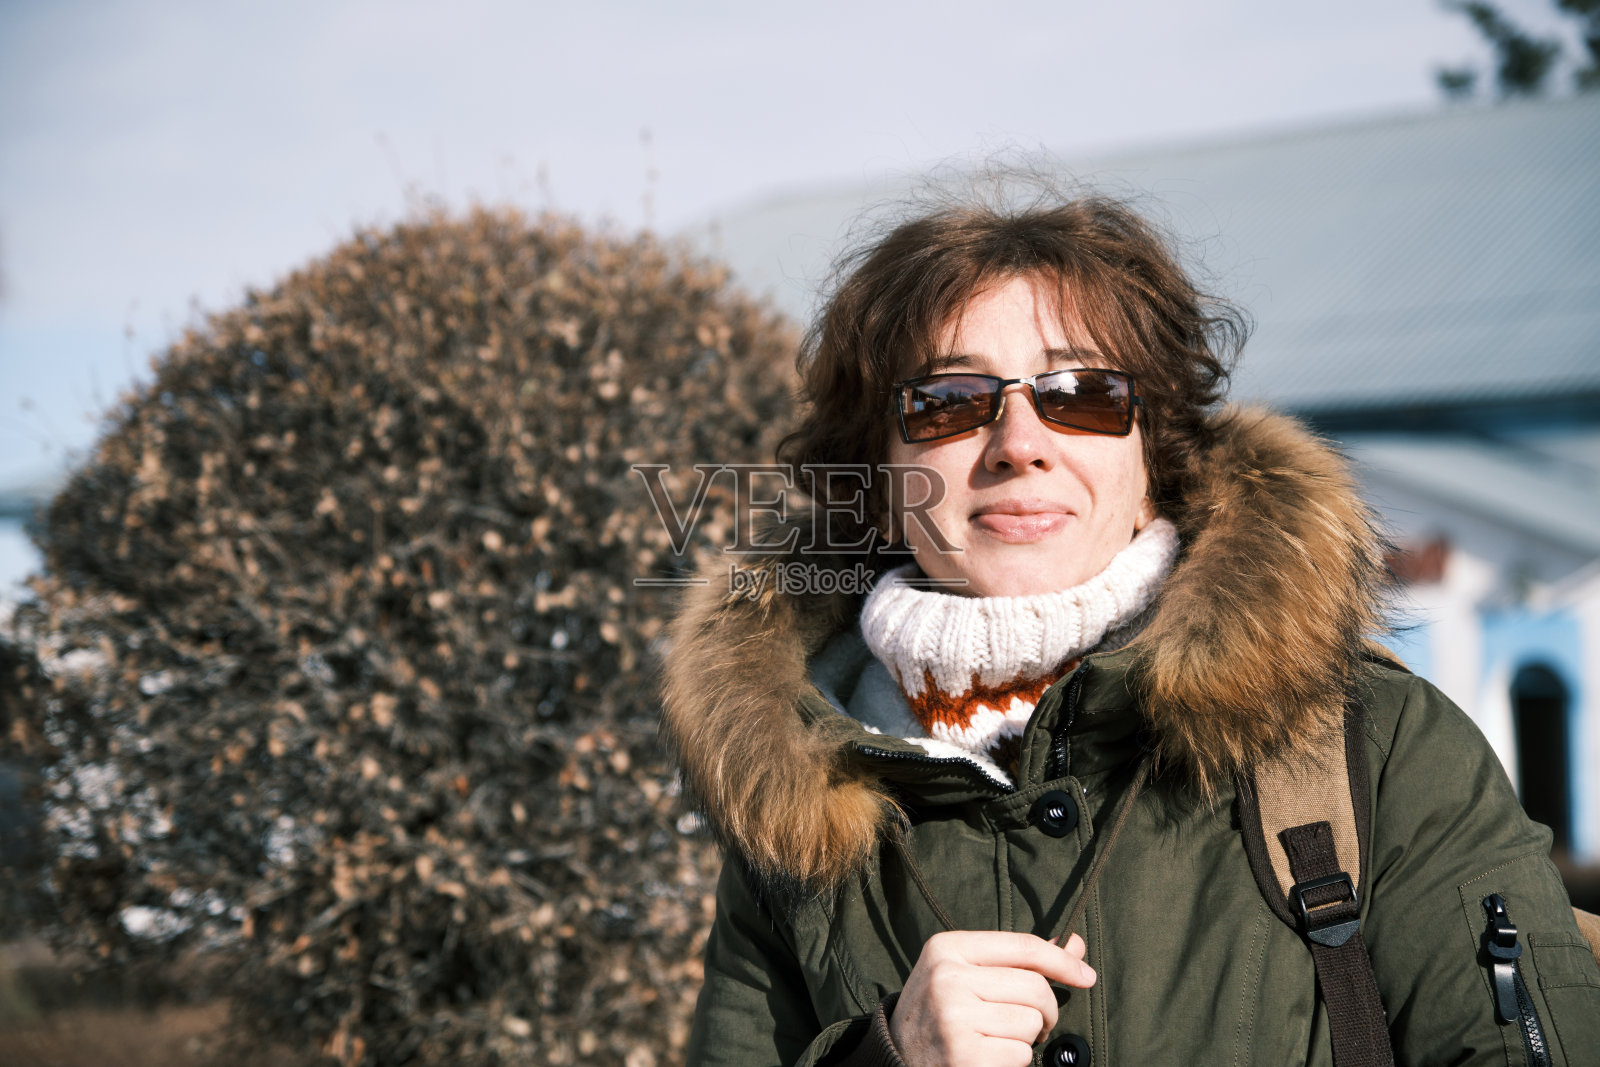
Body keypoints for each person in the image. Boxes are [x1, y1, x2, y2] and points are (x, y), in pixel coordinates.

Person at [660, 192, 1600, 1065]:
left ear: (1154, 455)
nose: (1020, 443)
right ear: (881, 469)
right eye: (948, 401)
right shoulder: (791, 805)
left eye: (1082, 394)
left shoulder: (1374, 743)